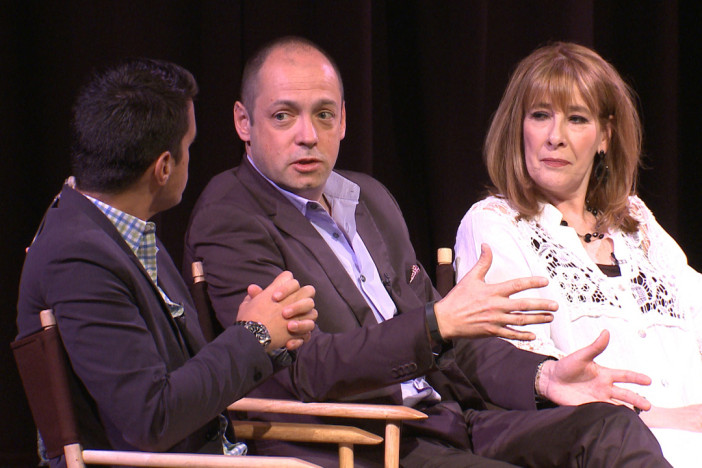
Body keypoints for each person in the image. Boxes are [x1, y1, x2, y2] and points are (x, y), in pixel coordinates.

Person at [185, 37, 670, 467]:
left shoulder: (368, 198)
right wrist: (435, 324)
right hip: (366, 440)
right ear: (244, 121)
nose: (308, 134)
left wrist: (543, 377)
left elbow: (454, 342)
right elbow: (305, 368)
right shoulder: (232, 215)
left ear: (344, 120)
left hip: (452, 421)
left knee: (611, 429)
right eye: (283, 116)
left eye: (324, 114)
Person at [16, 58, 317, 467]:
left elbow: (184, 384)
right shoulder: (77, 258)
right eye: (188, 147)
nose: (191, 158)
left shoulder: (123, 232)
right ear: (163, 167)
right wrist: (254, 335)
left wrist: (264, 333)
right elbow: (151, 420)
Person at [454, 41, 702, 467]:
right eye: (540, 116)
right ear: (518, 128)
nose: (556, 137)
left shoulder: (636, 221)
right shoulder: (494, 223)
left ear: (605, 136)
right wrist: (673, 419)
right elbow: (535, 377)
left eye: (576, 119)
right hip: (609, 446)